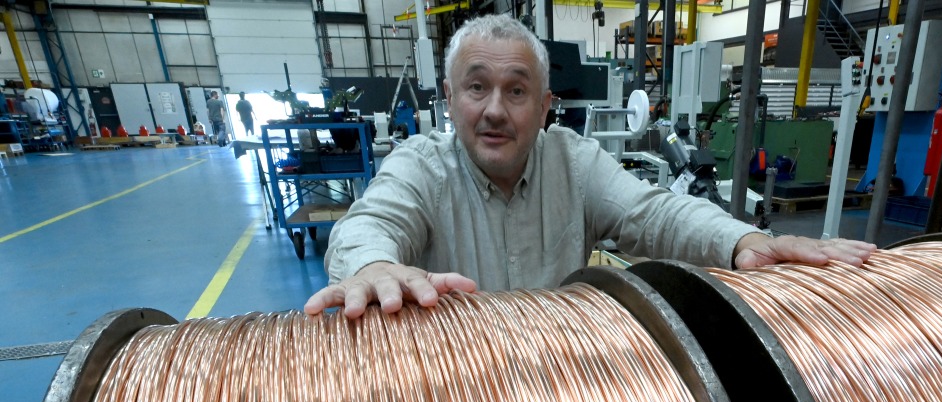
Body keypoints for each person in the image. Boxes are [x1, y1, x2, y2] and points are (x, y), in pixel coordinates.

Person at [305, 15, 875, 318]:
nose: (495, 110)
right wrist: (374, 265)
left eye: (517, 90)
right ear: (450, 98)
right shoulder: (421, 168)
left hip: (562, 395)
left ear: (546, 106)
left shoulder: (573, 164)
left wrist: (742, 240)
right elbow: (369, 223)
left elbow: (653, 213)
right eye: (477, 87)